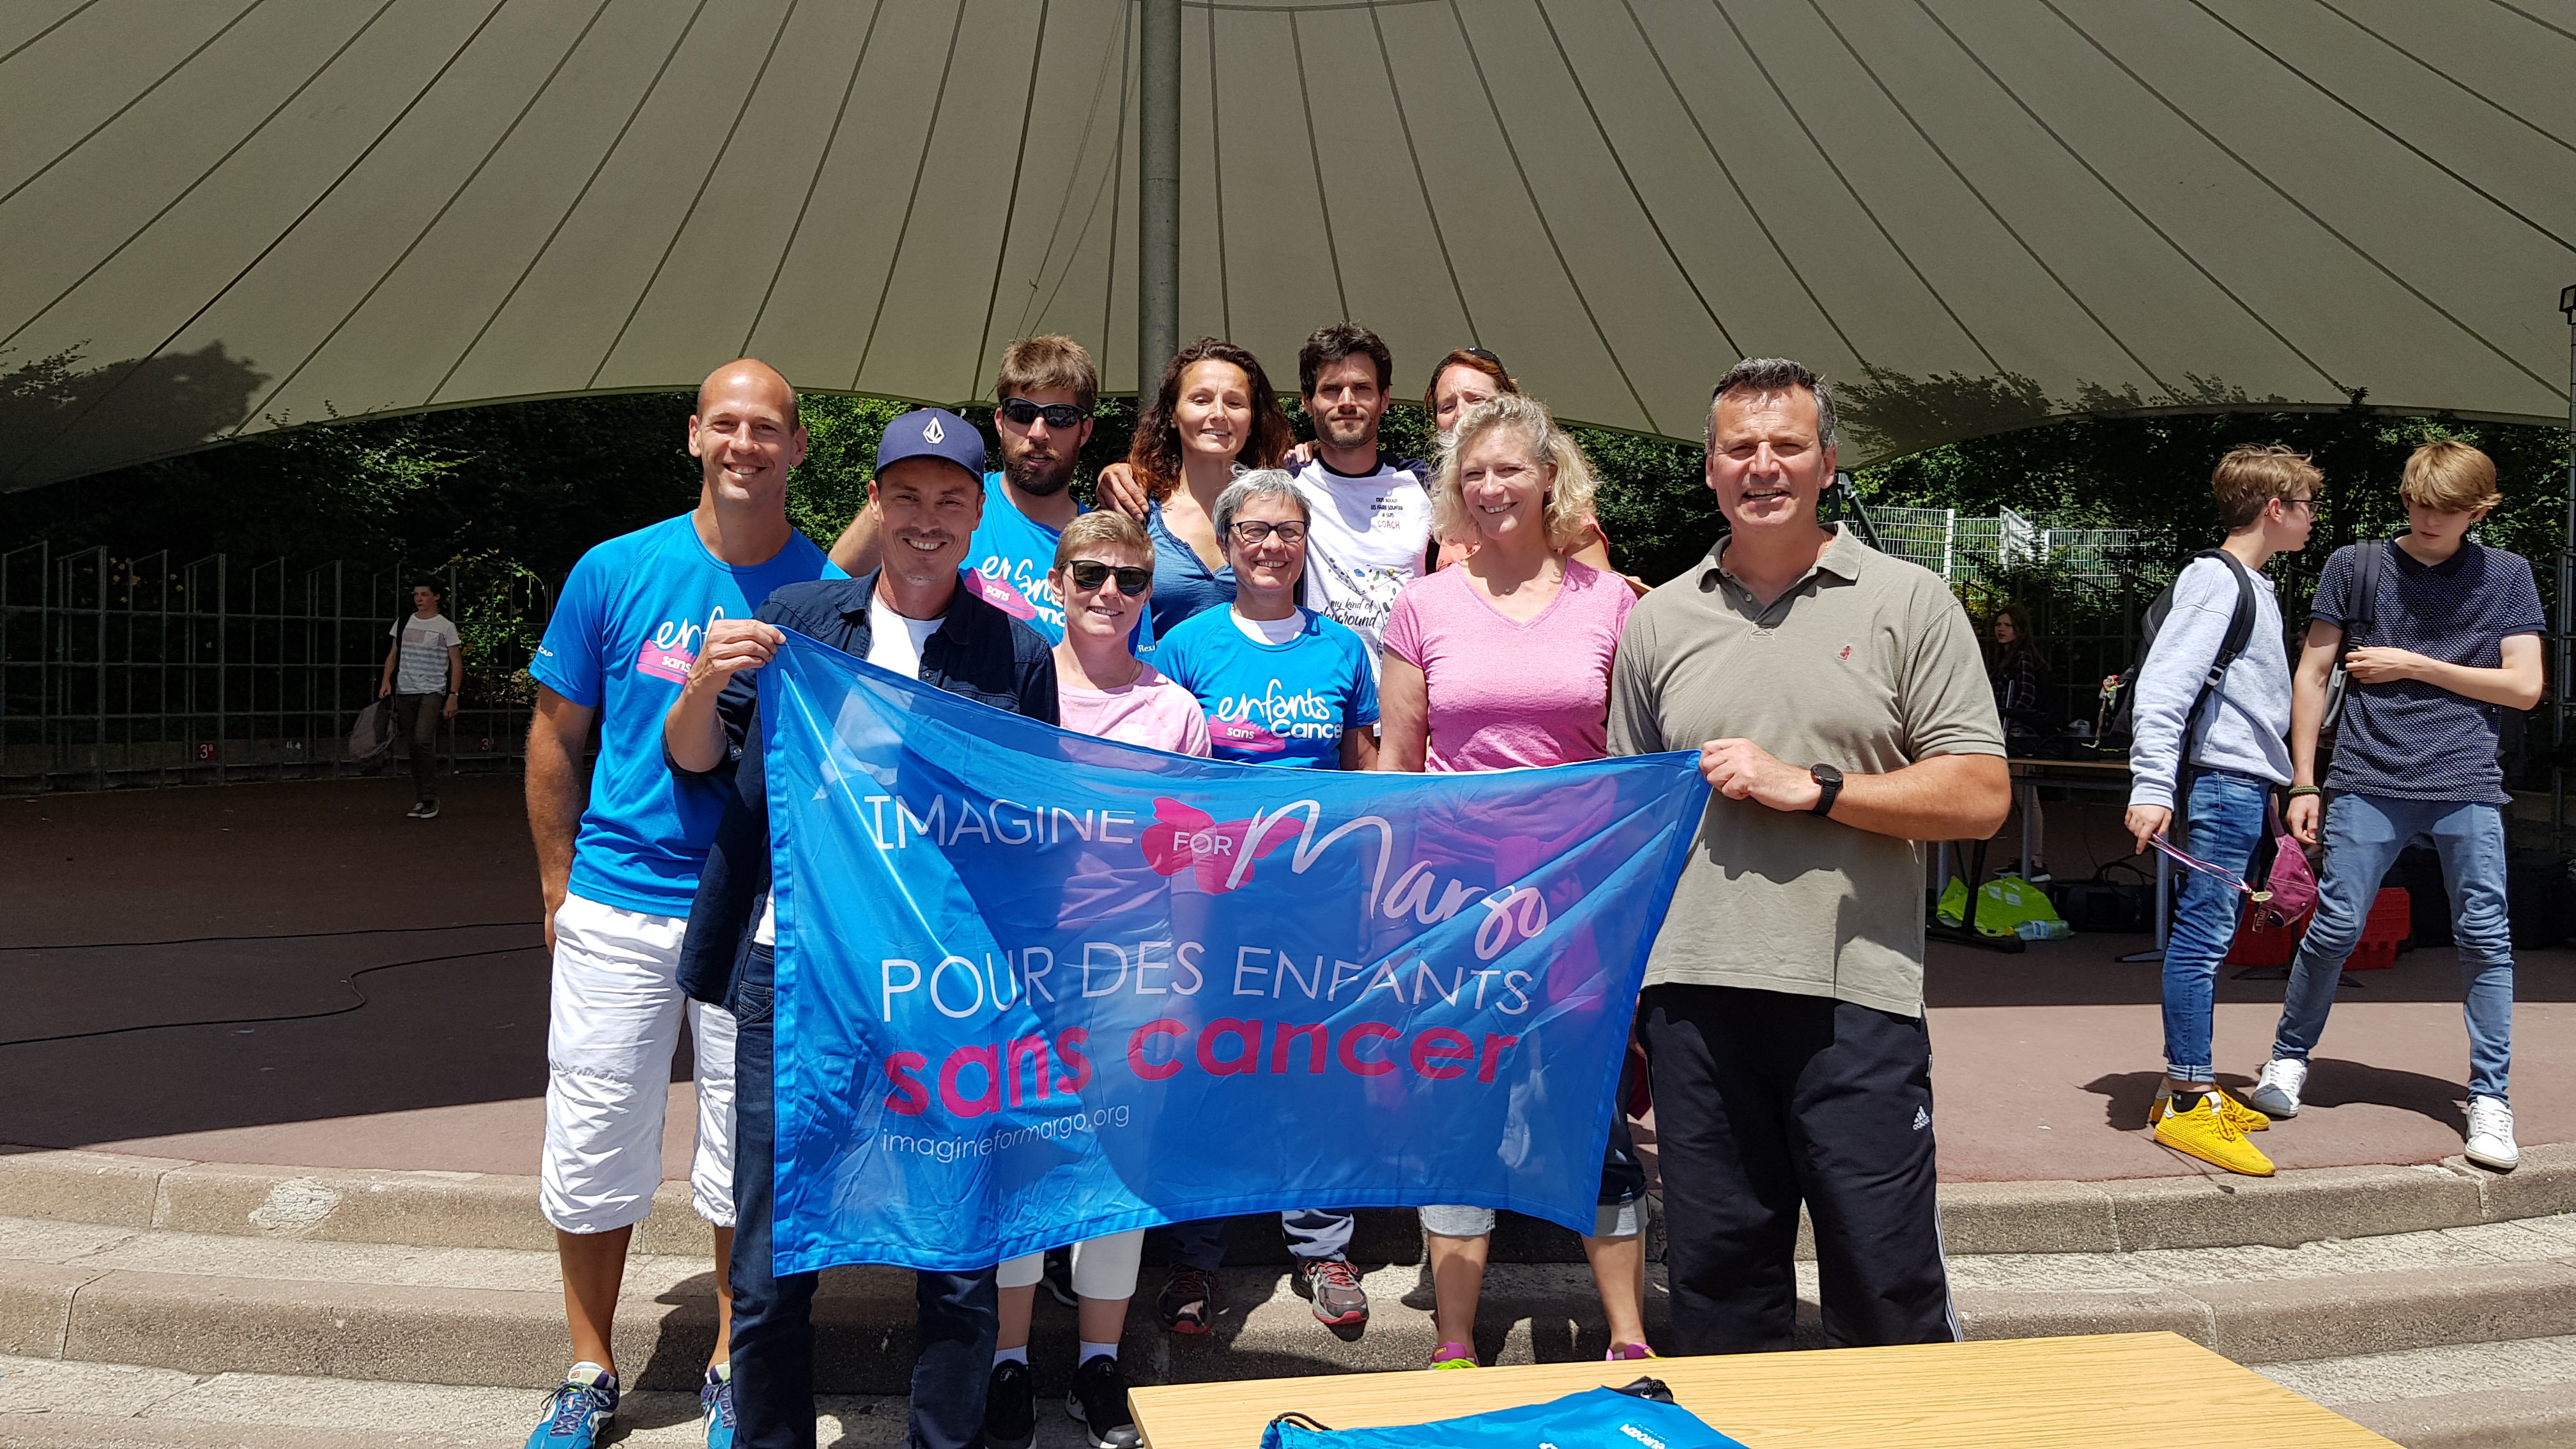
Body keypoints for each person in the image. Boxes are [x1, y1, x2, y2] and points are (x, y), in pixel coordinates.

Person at [666, 408, 1057, 1449]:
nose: (927, 519)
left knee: (959, 1266)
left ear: (978, 515)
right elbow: (695, 755)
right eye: (908, 495)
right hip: (793, 982)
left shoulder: (1015, 652)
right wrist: (706, 676)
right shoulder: (799, 621)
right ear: (876, 501)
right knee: (771, 1265)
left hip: (941, 991)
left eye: (951, 500)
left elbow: (1030, 828)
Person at [1608, 357, 2009, 1354]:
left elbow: (1981, 796)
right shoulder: (1657, 618)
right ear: (1708, 469)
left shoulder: (1910, 602)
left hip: (1854, 996)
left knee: (1886, 1289)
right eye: (1740, 447)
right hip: (1695, 1000)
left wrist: (1819, 788)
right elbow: (1629, 822)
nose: (1763, 466)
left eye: (1787, 445)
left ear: (1827, 463)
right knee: (1719, 1294)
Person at [521, 360, 839, 1449]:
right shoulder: (615, 569)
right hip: (619, 898)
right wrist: (557, 885)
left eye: (769, 428)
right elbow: (558, 734)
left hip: (754, 904)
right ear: (695, 435)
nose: (746, 443)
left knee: (738, 1150)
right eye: (728, 423)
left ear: (799, 448)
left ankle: (725, 1364)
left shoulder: (823, 596)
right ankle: (587, 1363)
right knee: (596, 1133)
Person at [1374, 393, 1649, 1368]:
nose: (1491, 488)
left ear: (1550, 480)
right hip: (1455, 899)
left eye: (1509, 470)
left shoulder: (1613, 602)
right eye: (1473, 473)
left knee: (1588, 1101)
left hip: (1582, 896)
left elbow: (1639, 757)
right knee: (1462, 1109)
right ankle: (1454, 1340)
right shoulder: (1424, 606)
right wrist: (1390, 911)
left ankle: (1628, 1336)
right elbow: (1397, 769)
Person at [2246, 440, 2546, 1172]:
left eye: (2446, 510)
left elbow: (2525, 687)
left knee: (2486, 937)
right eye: (2417, 504)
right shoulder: (2356, 564)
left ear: (2480, 510)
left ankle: (2491, 1099)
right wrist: (2304, 781)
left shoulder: (2507, 574)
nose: (2428, 518)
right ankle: (2288, 1058)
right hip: (2366, 775)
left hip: (2467, 780)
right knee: (2336, 925)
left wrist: (2412, 664)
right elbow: (2311, 675)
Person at [983, 510, 1202, 1449]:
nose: (1108, 592)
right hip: (1023, 961)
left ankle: (1098, 1366)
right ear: (1057, 585)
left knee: (1120, 1164)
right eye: (1090, 575)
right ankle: (1007, 1363)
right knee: (1023, 1161)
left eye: (1128, 578)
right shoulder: (1015, 692)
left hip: (1134, 962)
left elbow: (1194, 854)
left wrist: (1186, 977)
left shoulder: (1175, 708)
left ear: (1149, 594)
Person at [1147, 470, 1380, 1337]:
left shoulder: (1343, 650)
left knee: (1315, 1071)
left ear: (1305, 540)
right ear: (1229, 541)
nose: (1272, 545)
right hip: (1213, 899)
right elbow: (1169, 787)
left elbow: (1363, 776)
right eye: (1254, 530)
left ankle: (1322, 1247)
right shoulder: (1189, 645)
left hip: (1318, 898)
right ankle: (1192, 1259)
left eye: (1287, 529)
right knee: (1204, 1066)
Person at [2122, 446, 2317, 1177]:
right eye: (2305, 506)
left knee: (2207, 936)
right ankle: (2188, 1098)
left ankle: (2188, 1085)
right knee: (2202, 940)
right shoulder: (2218, 581)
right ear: (2275, 508)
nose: (2311, 519)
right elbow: (2165, 688)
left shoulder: (2251, 587)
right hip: (2223, 784)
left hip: (2241, 786)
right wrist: (2152, 788)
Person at [827, 335, 1144, 650]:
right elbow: (834, 584)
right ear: (1000, 421)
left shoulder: (1109, 549)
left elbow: (1127, 670)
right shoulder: (948, 506)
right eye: (1021, 412)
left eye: (1060, 416)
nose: (1038, 432)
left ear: (1085, 430)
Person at [1095, 338, 1296, 637]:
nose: (1218, 414)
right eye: (1200, 400)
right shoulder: (1135, 508)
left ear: (1252, 421)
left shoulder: (1283, 511)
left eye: (1235, 402)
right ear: (1173, 415)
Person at [1418, 348, 1636, 592]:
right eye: (1447, 406)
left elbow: (1597, 604)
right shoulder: (1452, 509)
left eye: (1477, 400)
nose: (1461, 413)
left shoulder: (1565, 517)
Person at [1280, 324, 1432, 666]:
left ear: (1385, 398)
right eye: (1331, 390)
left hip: (1410, 698)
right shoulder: (1285, 487)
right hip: (1314, 702)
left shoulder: (1428, 484)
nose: (1347, 402)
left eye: (1362, 388)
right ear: (1307, 402)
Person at [379, 581, 463, 819]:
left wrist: (453, 696)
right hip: (406, 689)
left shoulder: (445, 627)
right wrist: (387, 680)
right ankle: (422, 796)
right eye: (416, 595)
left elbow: (456, 662)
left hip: (431, 689)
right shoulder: (404, 622)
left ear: (436, 597)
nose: (419, 599)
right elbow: (394, 654)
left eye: (424, 595)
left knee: (423, 739)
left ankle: (429, 796)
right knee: (414, 745)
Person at [1987, 603, 2050, 880]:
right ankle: (2030, 855)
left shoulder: (2021, 658)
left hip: (2019, 734)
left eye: (2007, 625)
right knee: (2021, 796)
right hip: (2011, 731)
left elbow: (2024, 696)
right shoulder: (2005, 658)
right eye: (1999, 624)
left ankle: (2035, 858)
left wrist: (2010, 719)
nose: (2001, 629)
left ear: (2020, 630)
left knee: (2027, 795)